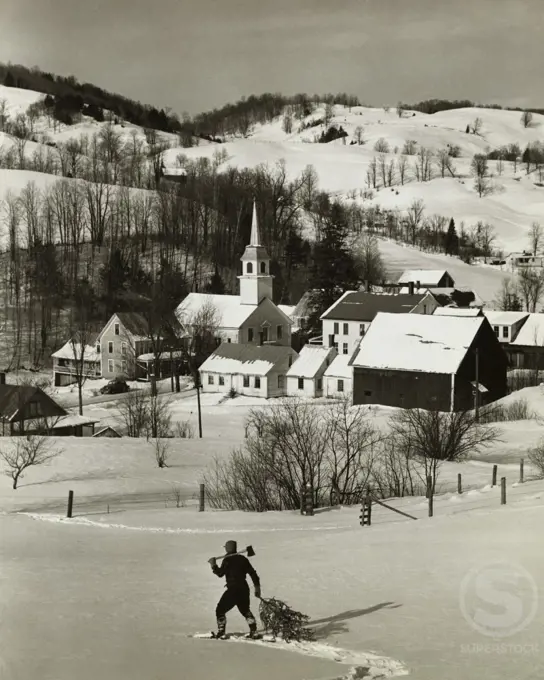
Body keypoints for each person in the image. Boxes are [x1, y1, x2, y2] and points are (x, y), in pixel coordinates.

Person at [208, 540, 261, 639]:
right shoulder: (243, 559)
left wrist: (213, 565)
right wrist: (257, 588)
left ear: (227, 548)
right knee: (245, 611)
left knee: (220, 610)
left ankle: (221, 632)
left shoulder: (227, 560)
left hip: (233, 590)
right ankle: (254, 631)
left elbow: (220, 573)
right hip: (244, 589)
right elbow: (253, 574)